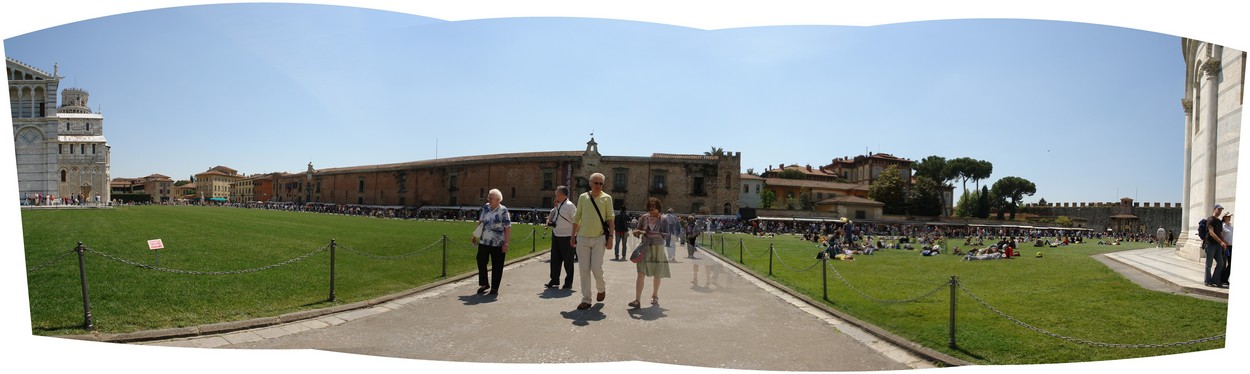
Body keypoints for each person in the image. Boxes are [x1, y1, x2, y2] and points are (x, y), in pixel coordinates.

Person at [571, 173, 614, 310]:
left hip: (599, 238)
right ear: (590, 183)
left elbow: (610, 218)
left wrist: (611, 237)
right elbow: (577, 217)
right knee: (583, 269)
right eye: (595, 183)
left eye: (601, 183)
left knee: (596, 267)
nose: (598, 186)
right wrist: (573, 235)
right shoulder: (583, 197)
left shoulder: (607, 198)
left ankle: (601, 288)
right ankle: (586, 299)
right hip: (582, 237)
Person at [630, 197, 672, 308]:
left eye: (653, 209)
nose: (651, 211)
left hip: (658, 247)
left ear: (658, 209)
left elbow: (667, 235)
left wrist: (655, 233)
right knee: (640, 272)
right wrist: (637, 232)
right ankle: (637, 300)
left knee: (657, 273)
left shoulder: (663, 219)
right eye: (649, 209)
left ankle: (655, 295)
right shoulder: (644, 217)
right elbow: (637, 229)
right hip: (645, 247)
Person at [473, 189, 511, 296]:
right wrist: (475, 235)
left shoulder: (503, 210)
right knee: (481, 260)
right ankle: (484, 283)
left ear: (498, 199)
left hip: (498, 243)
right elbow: (481, 222)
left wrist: (506, 244)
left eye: (491, 198)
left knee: (497, 265)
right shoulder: (486, 207)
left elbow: (508, 228)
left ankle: (494, 287)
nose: (488, 199)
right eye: (488, 197)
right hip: (484, 241)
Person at [544, 186, 575, 290]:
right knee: (555, 259)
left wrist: (574, 236)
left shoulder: (570, 206)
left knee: (568, 261)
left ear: (562, 194)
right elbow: (555, 216)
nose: (555, 195)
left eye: (557, 193)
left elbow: (576, 221)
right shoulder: (558, 205)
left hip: (567, 236)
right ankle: (554, 279)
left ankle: (568, 282)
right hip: (556, 234)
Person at [1204, 204, 1229, 288]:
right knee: (1209, 264)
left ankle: (1215, 280)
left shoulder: (1219, 221)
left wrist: (1224, 242)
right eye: (1218, 209)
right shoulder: (1210, 219)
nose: (1220, 211)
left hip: (1217, 245)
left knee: (1221, 263)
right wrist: (1221, 242)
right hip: (1210, 244)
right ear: (1214, 209)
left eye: (1221, 210)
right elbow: (1211, 233)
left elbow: (1220, 234)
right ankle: (1208, 281)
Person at [1222, 213, 1233, 286]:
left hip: (1231, 246)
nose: (1229, 218)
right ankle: (1221, 279)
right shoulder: (1222, 226)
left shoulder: (1231, 227)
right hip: (1225, 246)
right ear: (1225, 217)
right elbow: (1220, 236)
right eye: (1228, 216)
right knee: (1223, 263)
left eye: (1230, 216)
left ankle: (1225, 278)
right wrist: (1225, 243)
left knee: (1230, 263)